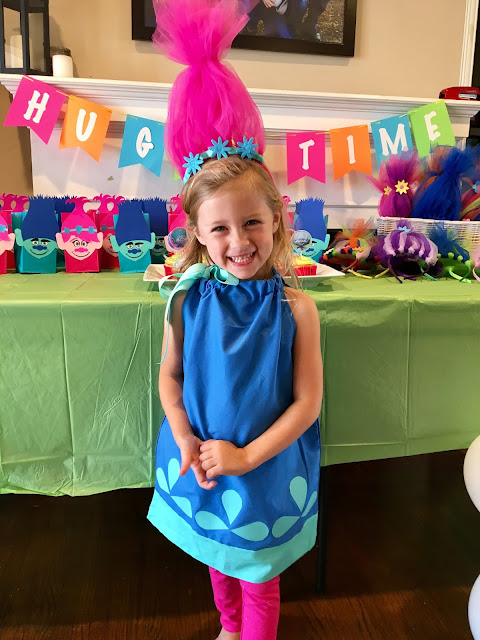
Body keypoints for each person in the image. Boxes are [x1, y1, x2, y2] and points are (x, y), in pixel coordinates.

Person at [147, 1, 323, 639]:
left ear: (276, 219)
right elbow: (170, 379)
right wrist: (183, 436)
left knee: (258, 572)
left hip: (263, 463)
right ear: (196, 232)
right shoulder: (186, 300)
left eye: (252, 222)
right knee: (218, 555)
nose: (239, 241)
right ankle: (228, 628)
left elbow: (307, 402)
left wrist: (247, 456)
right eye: (219, 227)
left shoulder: (297, 308)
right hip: (201, 459)